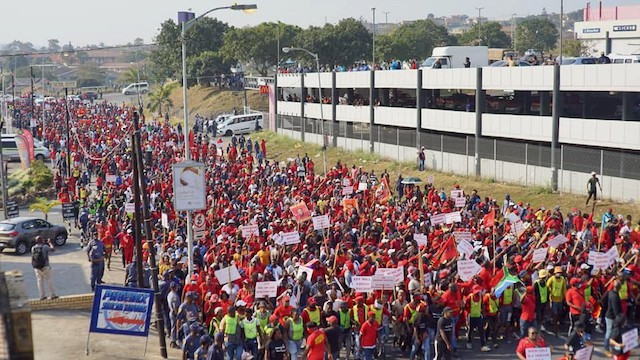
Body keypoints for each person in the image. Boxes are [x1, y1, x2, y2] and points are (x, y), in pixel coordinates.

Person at [31, 236, 57, 300]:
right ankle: (53, 295)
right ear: (41, 240)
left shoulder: (33, 248)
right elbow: (53, 249)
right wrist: (50, 243)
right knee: (48, 280)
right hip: (45, 266)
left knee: (39, 281)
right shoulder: (45, 247)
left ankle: (42, 296)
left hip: (37, 267)